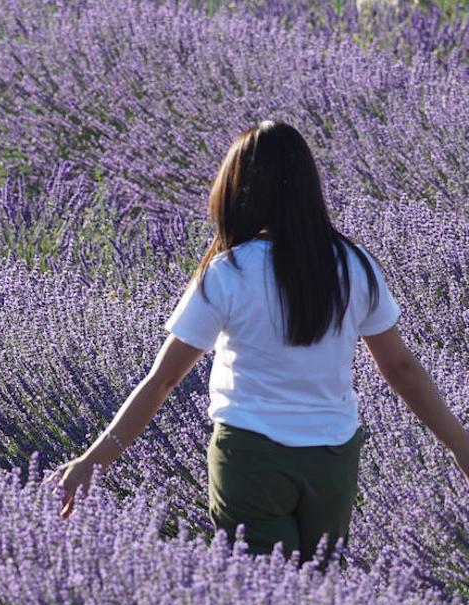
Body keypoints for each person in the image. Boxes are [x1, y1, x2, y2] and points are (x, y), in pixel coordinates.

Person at [50, 121, 469, 562]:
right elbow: (400, 369)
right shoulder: (353, 266)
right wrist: (460, 445)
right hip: (332, 462)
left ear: (237, 191)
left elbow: (164, 380)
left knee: (262, 594)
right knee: (317, 597)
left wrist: (93, 462)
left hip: (250, 458)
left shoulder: (229, 272)